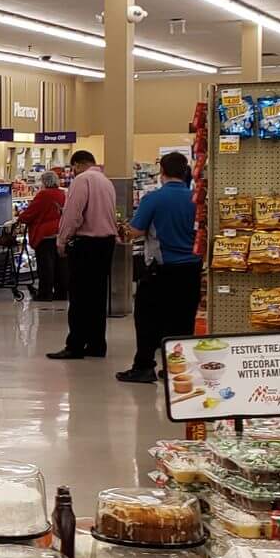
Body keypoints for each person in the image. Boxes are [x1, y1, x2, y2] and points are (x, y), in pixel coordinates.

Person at [119, 151, 201, 385]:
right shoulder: (195, 198)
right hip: (192, 268)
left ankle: (144, 366)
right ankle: (177, 368)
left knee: (147, 319)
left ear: (162, 172)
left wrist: (123, 230)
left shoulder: (154, 199)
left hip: (161, 269)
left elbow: (135, 231)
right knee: (183, 320)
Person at [49, 149, 117, 360]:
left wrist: (62, 240)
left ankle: (75, 344)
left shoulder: (82, 180)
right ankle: (97, 344)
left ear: (77, 165)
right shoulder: (106, 182)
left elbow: (73, 214)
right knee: (97, 296)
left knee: (79, 297)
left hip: (86, 244)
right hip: (106, 243)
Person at [22, 170, 67, 302]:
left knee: (46, 266)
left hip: (45, 235)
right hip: (60, 232)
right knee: (61, 266)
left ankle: (45, 294)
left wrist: (21, 218)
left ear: (44, 182)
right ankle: (62, 293)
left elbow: (31, 212)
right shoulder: (62, 194)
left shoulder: (43, 195)